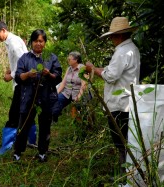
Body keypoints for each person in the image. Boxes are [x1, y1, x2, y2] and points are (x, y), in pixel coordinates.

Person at [85, 17, 140, 182]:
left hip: (120, 104)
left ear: (120, 35)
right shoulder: (131, 49)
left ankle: (126, 178)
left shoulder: (122, 52)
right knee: (126, 143)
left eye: (112, 36)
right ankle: (128, 175)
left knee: (121, 143)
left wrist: (92, 69)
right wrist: (95, 69)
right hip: (127, 102)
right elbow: (111, 71)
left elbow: (110, 76)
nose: (111, 39)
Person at [14, 29, 62, 162]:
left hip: (47, 97)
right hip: (28, 97)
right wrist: (28, 74)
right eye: (35, 41)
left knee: (45, 126)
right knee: (23, 124)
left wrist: (49, 74)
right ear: (31, 42)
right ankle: (18, 151)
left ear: (45, 43)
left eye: (41, 41)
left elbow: (58, 77)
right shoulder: (24, 58)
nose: (38, 44)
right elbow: (18, 77)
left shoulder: (51, 58)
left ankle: (42, 152)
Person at [0, 21, 37, 155]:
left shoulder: (13, 42)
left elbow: (23, 61)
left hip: (22, 83)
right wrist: (10, 69)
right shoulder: (12, 40)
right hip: (25, 82)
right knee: (26, 112)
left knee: (14, 114)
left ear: (4, 30)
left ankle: (7, 146)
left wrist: (11, 75)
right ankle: (31, 141)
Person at [51, 51, 88, 123]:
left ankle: (81, 125)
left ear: (76, 60)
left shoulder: (82, 68)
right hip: (67, 92)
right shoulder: (69, 68)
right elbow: (63, 83)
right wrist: (57, 93)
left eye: (69, 59)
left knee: (79, 112)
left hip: (78, 93)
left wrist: (79, 96)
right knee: (55, 102)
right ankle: (54, 120)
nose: (68, 60)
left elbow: (84, 85)